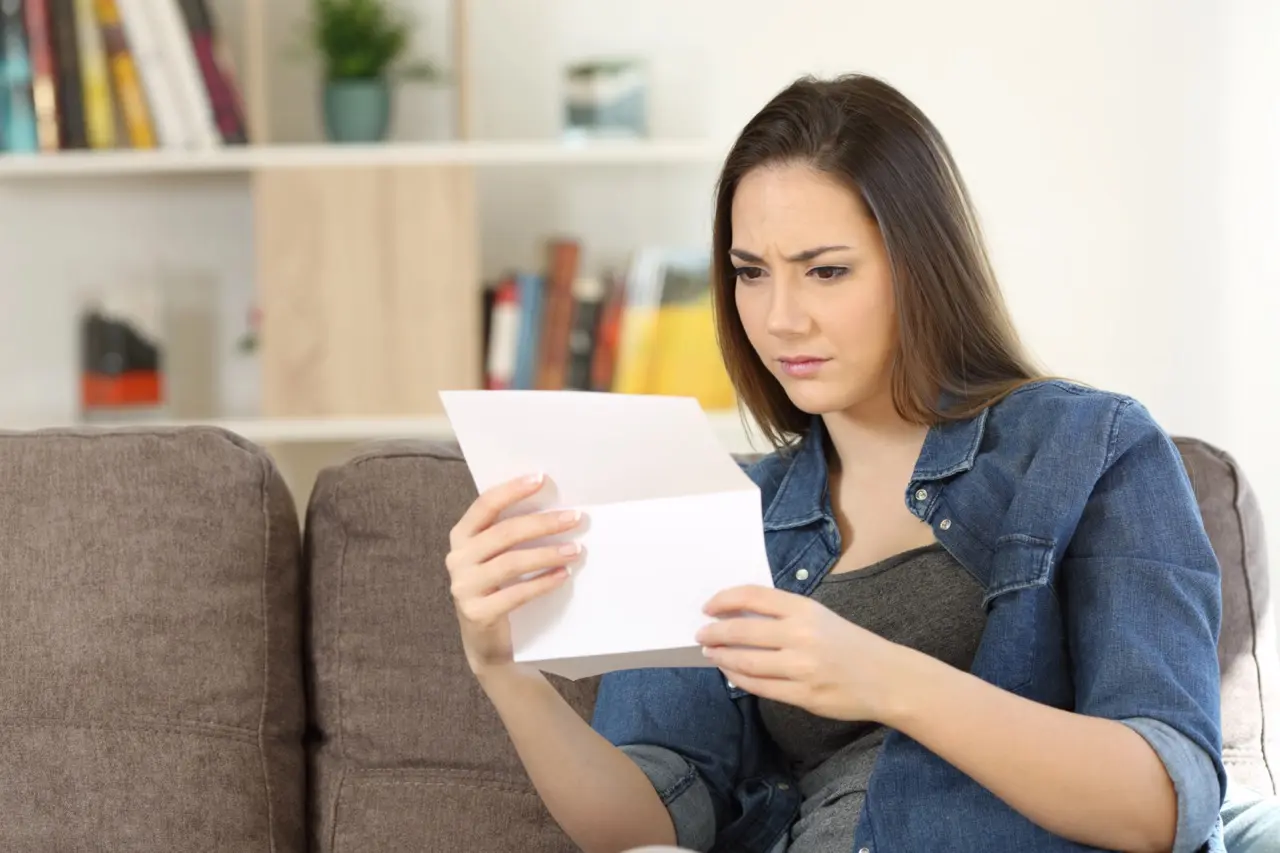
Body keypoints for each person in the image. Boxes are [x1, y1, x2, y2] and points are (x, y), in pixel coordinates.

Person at [444, 74, 1280, 852]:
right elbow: (648, 820)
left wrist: (882, 676)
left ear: (921, 265)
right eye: (750, 273)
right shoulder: (725, 506)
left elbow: (1168, 799)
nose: (780, 319)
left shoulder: (1088, 451)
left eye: (826, 271)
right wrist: (503, 670)